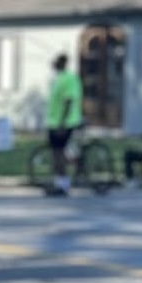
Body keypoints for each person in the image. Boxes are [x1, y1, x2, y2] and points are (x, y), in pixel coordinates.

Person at [44, 53, 83, 196]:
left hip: (64, 122)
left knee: (59, 152)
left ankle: (63, 184)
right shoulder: (58, 79)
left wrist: (62, 123)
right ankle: (60, 180)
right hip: (54, 121)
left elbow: (68, 101)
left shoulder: (69, 79)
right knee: (57, 152)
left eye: (55, 63)